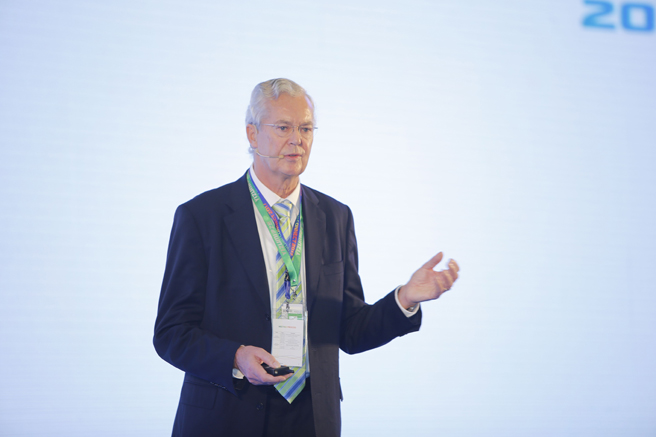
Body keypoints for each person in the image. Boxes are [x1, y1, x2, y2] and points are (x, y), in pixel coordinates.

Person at [153, 78, 460, 437]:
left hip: (311, 418)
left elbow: (349, 330)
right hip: (228, 413)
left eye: (306, 128)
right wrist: (235, 356)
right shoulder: (202, 216)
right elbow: (171, 333)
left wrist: (404, 299)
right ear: (252, 134)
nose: (297, 139)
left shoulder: (335, 216)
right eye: (283, 127)